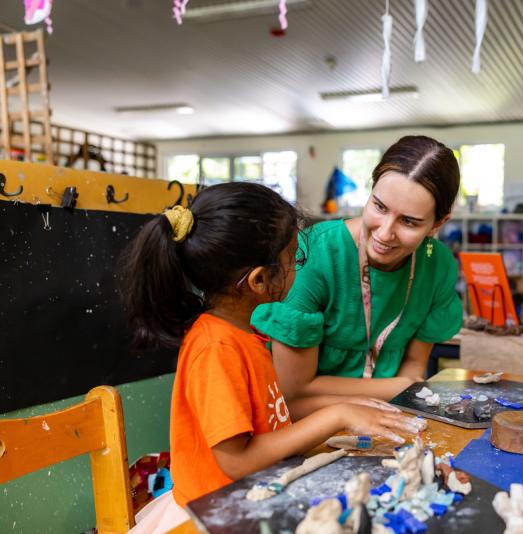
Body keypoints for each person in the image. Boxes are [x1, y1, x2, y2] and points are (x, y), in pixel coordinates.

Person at [120, 183, 422, 531]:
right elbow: (237, 460)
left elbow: (266, 418)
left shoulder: (244, 333)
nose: (300, 266)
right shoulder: (216, 348)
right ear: (260, 280)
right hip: (216, 515)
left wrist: (348, 409)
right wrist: (337, 414)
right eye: (294, 256)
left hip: (252, 495)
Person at [252, 135, 463, 402]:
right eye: (379, 206)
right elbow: (293, 392)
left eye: (409, 222)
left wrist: (401, 390)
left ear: (438, 223)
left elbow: (413, 365)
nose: (385, 233)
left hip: (384, 414)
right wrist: (401, 387)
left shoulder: (438, 265)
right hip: (300, 421)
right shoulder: (311, 255)